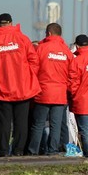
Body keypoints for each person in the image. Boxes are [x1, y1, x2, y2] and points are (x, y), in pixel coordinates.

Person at [0, 13, 40, 156]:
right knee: (21, 122)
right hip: (23, 88)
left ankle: (2, 151)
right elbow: (34, 61)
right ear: (11, 23)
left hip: (0, 89)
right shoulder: (23, 39)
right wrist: (27, 77)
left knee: (4, 123)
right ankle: (18, 150)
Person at [28, 23, 72, 155]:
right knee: (56, 125)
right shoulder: (66, 51)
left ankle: (32, 151)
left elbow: (33, 69)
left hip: (43, 92)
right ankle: (53, 151)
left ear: (48, 34)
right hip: (60, 94)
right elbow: (72, 74)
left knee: (38, 124)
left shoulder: (41, 49)